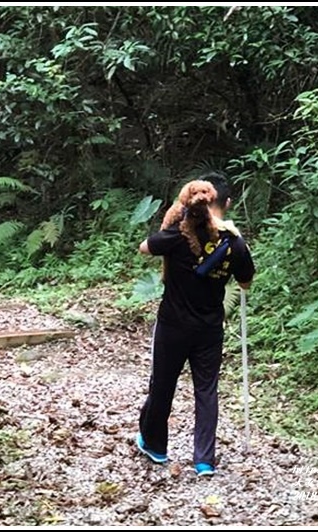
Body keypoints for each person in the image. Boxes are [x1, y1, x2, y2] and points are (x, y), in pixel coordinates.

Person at [136, 172, 255, 477]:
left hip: (172, 326)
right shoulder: (234, 243)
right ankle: (204, 460)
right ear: (226, 203)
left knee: (162, 384)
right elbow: (245, 282)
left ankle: (155, 446)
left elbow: (146, 247)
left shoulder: (178, 234)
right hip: (209, 329)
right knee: (206, 390)